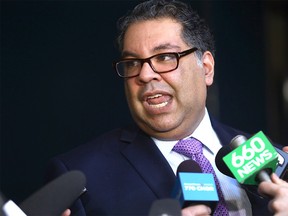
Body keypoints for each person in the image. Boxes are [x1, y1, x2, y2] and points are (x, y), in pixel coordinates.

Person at [46, 0, 288, 215]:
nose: (145, 74)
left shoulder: (273, 161)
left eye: (164, 57)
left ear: (206, 68)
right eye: (132, 63)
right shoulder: (80, 176)